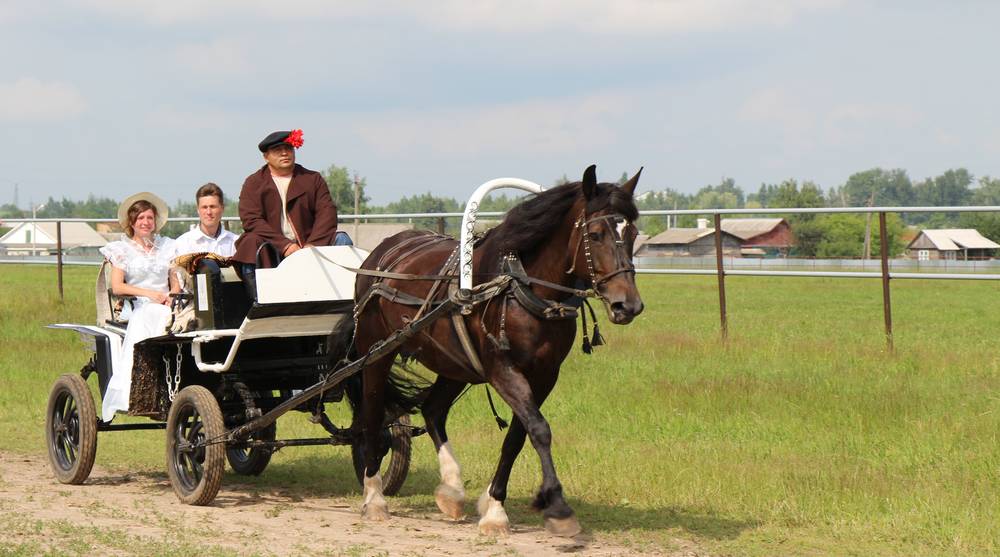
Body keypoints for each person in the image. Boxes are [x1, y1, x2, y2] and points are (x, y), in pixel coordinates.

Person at [231, 129, 346, 299]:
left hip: (311, 246)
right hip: (273, 248)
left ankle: (344, 300)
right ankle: (259, 300)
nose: (284, 153)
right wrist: (285, 246)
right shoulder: (254, 183)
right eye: (277, 150)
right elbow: (251, 220)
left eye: (288, 148)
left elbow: (327, 213)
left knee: (342, 239)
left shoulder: (312, 179)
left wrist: (312, 245)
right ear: (266, 157)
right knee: (249, 242)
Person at [98, 192, 179, 422]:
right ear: (132, 222)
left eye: (149, 218)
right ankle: (142, 385)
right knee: (155, 313)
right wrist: (149, 294)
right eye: (141, 218)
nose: (146, 222)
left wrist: (171, 296)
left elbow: (174, 281)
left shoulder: (167, 247)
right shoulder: (122, 250)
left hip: (166, 303)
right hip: (138, 304)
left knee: (177, 316)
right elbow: (118, 286)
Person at [174, 182, 238, 257]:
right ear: (198, 210)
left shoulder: (235, 243)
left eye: (212, 207)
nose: (208, 212)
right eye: (204, 207)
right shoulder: (183, 244)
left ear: (222, 208)